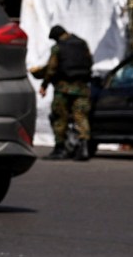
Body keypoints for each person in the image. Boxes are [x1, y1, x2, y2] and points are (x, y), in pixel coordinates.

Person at [33, 24, 94, 161]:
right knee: (81, 117)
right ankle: (83, 148)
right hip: (82, 87)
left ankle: (60, 149)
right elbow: (90, 62)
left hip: (63, 88)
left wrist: (44, 85)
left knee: (59, 118)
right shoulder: (82, 44)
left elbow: (51, 69)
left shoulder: (58, 48)